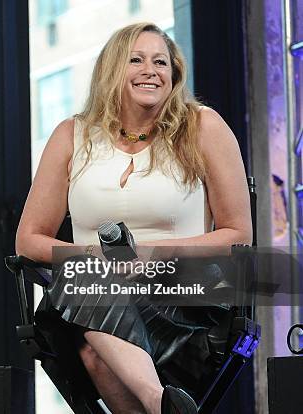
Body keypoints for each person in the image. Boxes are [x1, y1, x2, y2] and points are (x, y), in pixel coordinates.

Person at [15, 23, 251, 414]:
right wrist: (96, 258)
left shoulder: (203, 126)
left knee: (93, 348)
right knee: (87, 291)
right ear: (111, 70)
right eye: (136, 60)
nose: (151, 70)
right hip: (89, 289)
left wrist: (147, 255)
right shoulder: (72, 135)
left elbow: (237, 234)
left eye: (161, 62)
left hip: (183, 290)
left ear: (174, 74)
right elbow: (29, 239)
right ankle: (162, 404)